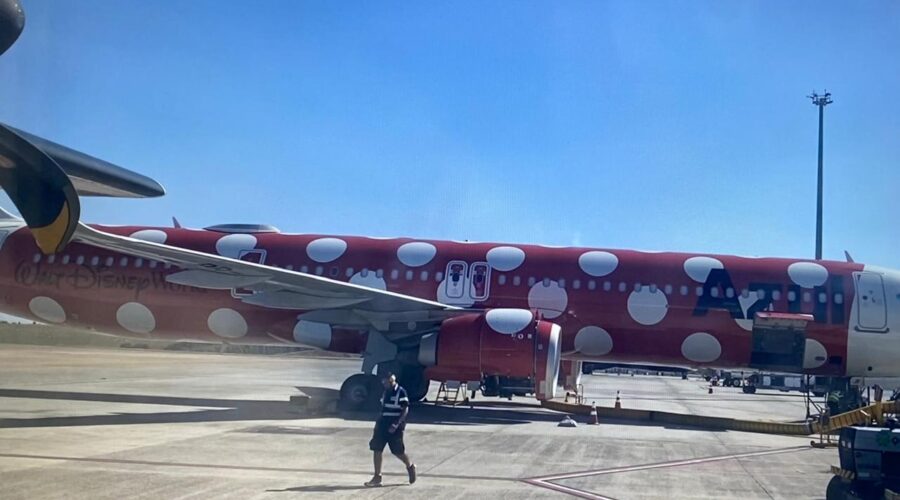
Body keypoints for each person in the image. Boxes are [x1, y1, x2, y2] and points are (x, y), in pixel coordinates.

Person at [365, 372, 416, 487]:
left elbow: (405, 409)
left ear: (392, 381)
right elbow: (382, 408)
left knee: (397, 451)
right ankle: (377, 477)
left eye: (387, 382)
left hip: (395, 424)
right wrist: (378, 423)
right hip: (382, 423)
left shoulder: (401, 392)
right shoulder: (385, 392)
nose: (385, 384)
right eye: (384, 382)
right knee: (377, 448)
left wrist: (396, 424)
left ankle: (410, 466)